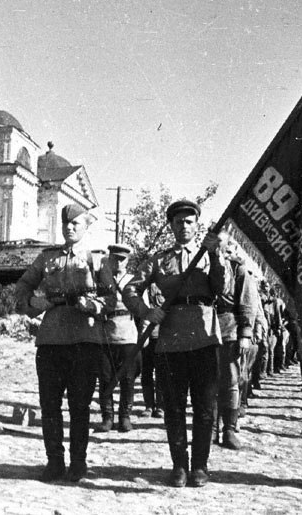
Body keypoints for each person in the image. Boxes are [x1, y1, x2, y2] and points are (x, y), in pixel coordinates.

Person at [123, 199, 229, 488]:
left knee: (206, 407)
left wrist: (216, 254)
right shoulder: (160, 260)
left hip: (205, 337)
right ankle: (179, 466)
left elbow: (223, 289)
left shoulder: (209, 255)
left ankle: (200, 466)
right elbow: (131, 288)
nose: (183, 226)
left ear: (197, 225)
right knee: (173, 407)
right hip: (171, 341)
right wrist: (146, 311)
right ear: (171, 226)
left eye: (189, 221)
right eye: (178, 221)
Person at [15, 204, 114, 483]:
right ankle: (54, 462)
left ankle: (78, 463)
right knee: (49, 405)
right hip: (51, 340)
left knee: (80, 406)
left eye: (76, 224)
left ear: (86, 227)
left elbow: (112, 300)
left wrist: (92, 305)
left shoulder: (98, 260)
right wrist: (35, 302)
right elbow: (21, 288)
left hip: (84, 340)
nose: (69, 228)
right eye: (66, 224)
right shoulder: (46, 258)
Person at [213, 231, 257, 449]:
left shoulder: (238, 269)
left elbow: (247, 303)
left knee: (230, 380)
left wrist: (245, 334)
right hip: (203, 329)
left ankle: (228, 429)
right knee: (207, 382)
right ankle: (210, 428)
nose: (215, 245)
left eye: (219, 242)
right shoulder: (202, 264)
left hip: (229, 327)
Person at [96, 243, 139, 433]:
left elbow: (142, 309)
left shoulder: (134, 280)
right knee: (105, 378)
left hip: (128, 334)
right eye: (114, 258)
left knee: (128, 379)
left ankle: (125, 417)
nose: (118, 262)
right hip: (106, 334)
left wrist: (143, 337)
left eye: (122, 259)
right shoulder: (101, 280)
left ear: (128, 261)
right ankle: (107, 417)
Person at [139, 283, 164, 419]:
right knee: (146, 371)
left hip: (162, 334)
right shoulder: (144, 285)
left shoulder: (165, 284)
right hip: (146, 335)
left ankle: (160, 406)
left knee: (161, 372)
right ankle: (149, 405)